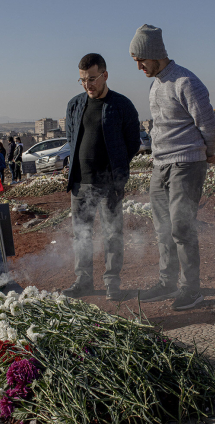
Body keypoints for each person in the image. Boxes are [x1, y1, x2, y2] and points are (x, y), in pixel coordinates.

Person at [130, 25, 215, 311]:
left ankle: (190, 289)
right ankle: (167, 282)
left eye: (140, 60)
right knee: (163, 229)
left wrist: (209, 153)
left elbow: (209, 125)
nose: (139, 67)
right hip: (160, 165)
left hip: (186, 163)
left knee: (182, 227)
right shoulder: (155, 84)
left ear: (154, 53)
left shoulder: (185, 82)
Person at [62, 53, 140, 301]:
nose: (88, 85)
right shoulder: (75, 105)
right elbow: (71, 138)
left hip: (109, 185)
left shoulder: (121, 105)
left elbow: (133, 143)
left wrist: (116, 168)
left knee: (112, 234)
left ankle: (112, 283)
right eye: (83, 80)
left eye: (92, 79)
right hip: (80, 183)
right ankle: (83, 282)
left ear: (105, 75)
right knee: (81, 234)